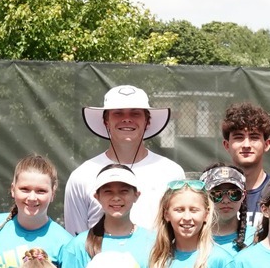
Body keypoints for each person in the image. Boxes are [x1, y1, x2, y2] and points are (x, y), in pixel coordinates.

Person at [63, 86, 185, 233]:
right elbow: (76, 239)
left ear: (147, 122)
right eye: (118, 113)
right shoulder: (81, 176)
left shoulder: (172, 173)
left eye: (135, 113)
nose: (127, 119)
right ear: (106, 121)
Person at [57, 164, 155, 268]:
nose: (116, 197)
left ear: (137, 195)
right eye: (108, 191)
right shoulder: (78, 246)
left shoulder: (154, 243)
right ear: (97, 196)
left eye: (124, 191)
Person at [219, 102, 270, 231]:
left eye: (254, 137)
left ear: (266, 144)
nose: (246, 144)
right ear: (226, 145)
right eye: (239, 137)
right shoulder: (212, 195)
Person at [204, 165, 248, 249]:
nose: (226, 200)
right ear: (204, 197)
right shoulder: (192, 237)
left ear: (243, 195)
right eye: (216, 194)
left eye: (234, 194)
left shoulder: (257, 237)